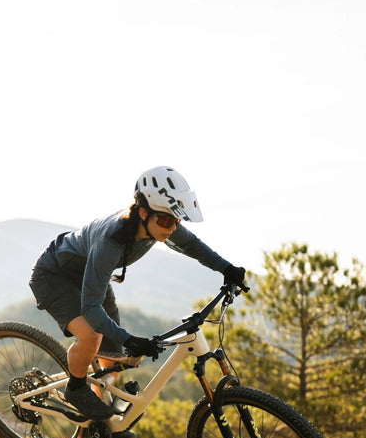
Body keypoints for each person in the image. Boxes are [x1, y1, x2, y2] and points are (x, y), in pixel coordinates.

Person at [29, 166, 246, 423]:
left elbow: (191, 245)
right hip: (54, 275)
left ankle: (103, 420)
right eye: (166, 221)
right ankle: (75, 388)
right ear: (143, 213)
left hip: (92, 275)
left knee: (114, 354)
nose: (172, 227)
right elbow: (91, 308)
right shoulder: (111, 241)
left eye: (176, 221)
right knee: (92, 335)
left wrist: (227, 269)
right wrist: (130, 339)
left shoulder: (159, 221)